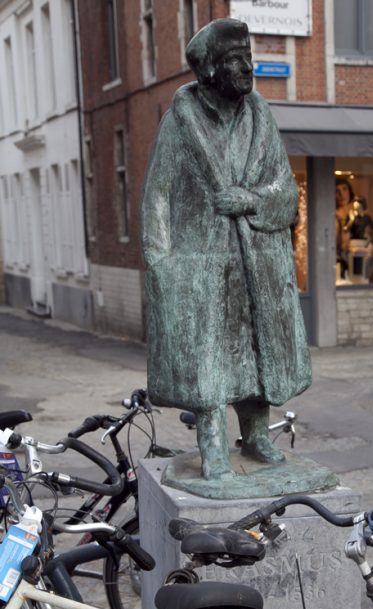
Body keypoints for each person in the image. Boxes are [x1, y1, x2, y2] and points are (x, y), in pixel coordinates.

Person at [140, 18, 311, 481]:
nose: (248, 68)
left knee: (256, 354)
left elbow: (285, 189)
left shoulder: (260, 118)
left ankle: (255, 437)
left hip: (258, 263)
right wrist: (161, 264)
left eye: (249, 59)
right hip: (202, 268)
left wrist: (250, 200)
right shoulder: (181, 124)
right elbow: (157, 196)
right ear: (210, 70)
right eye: (237, 61)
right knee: (210, 359)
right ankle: (212, 447)